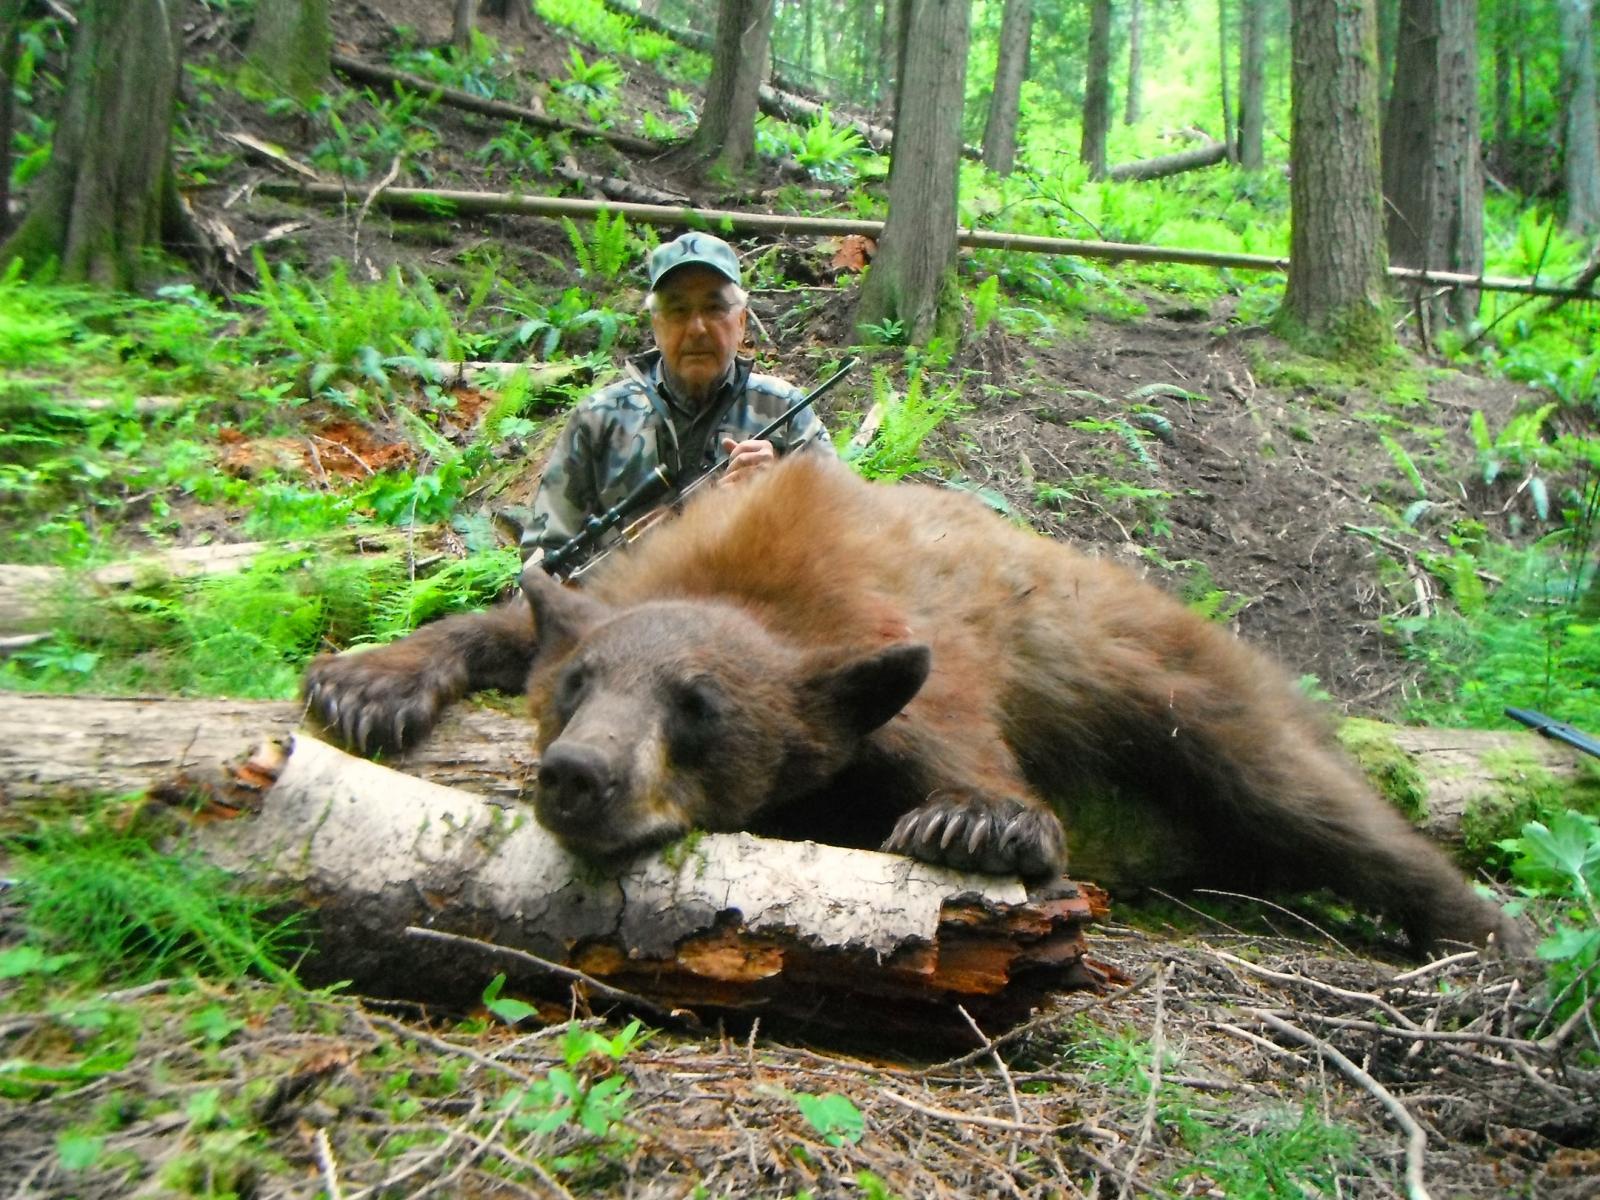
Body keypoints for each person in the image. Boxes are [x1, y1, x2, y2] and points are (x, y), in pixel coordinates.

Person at [520, 232, 834, 567]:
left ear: (741, 322)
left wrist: (783, 491)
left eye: (714, 308)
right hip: (624, 613)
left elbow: (843, 532)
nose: (697, 328)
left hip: (754, 610)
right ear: (656, 325)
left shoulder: (785, 410)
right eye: (678, 310)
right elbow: (543, 555)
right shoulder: (600, 419)